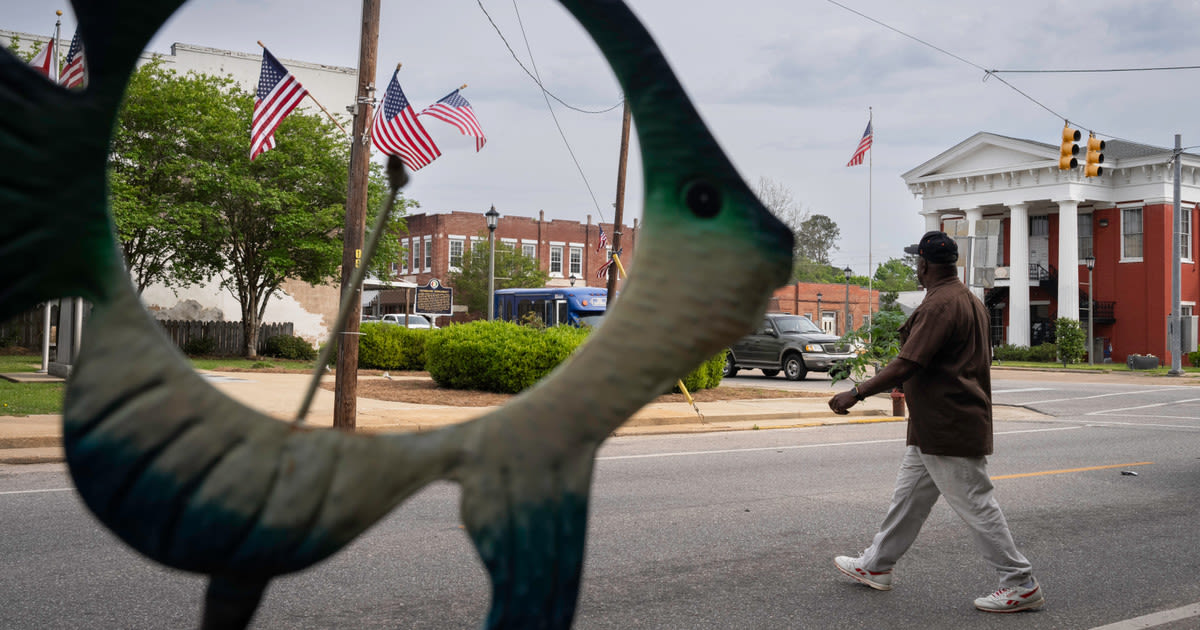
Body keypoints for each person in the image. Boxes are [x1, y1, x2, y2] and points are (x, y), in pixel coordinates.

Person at [827, 230, 1043, 613]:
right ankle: (876, 566)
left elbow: (907, 363)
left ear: (923, 264)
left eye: (917, 261)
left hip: (949, 425)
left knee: (977, 504)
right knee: (908, 500)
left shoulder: (940, 305)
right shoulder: (969, 300)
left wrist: (856, 393)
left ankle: (1019, 582)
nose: (916, 266)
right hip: (935, 425)